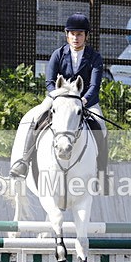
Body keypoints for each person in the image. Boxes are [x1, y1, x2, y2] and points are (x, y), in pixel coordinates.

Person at [9, 13, 108, 190]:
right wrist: (57, 98)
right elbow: (49, 81)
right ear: (67, 34)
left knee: (100, 126)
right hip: (58, 99)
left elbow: (94, 85)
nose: (76, 38)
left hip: (85, 101)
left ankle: (102, 173)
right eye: (72, 34)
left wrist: (83, 101)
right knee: (37, 118)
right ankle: (23, 161)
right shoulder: (58, 54)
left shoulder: (94, 57)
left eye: (79, 34)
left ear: (86, 36)